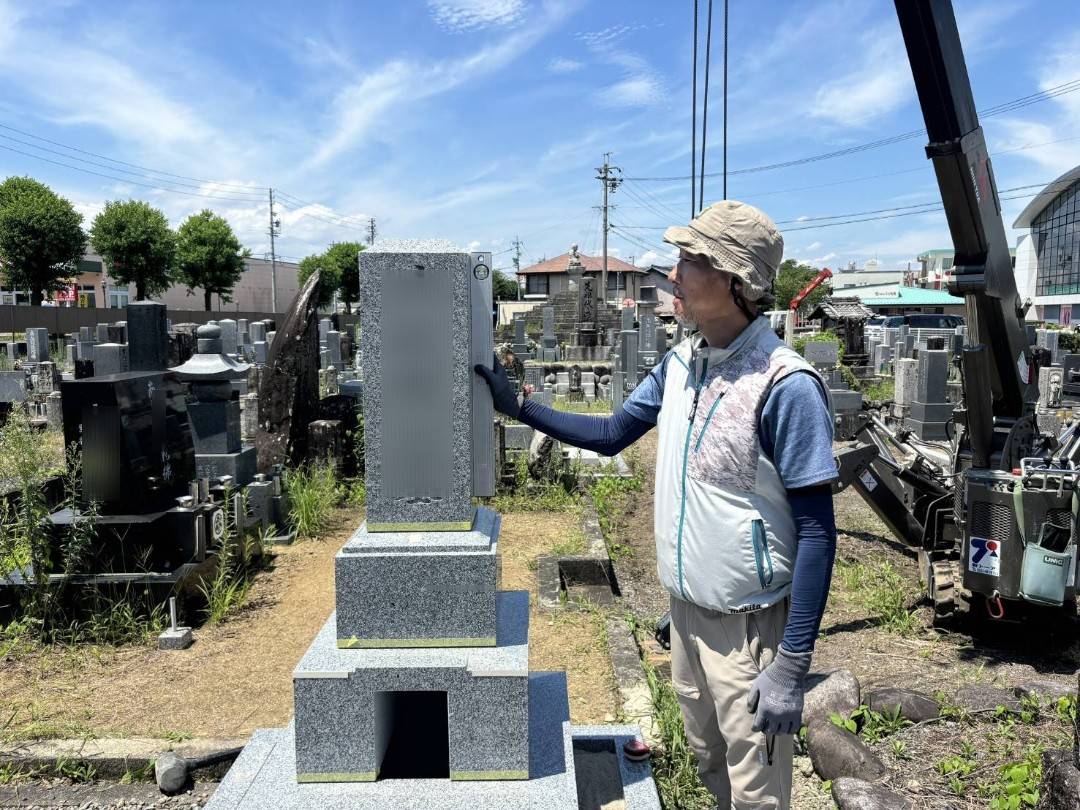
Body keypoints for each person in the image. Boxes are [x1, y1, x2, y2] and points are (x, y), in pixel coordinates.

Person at [475, 201, 838, 810]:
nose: (672, 273)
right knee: (710, 767)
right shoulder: (681, 361)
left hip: (751, 635)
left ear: (732, 278)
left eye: (687, 260)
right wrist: (523, 410)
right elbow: (613, 431)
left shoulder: (785, 386)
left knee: (758, 796)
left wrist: (792, 664)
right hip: (688, 620)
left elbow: (819, 533)